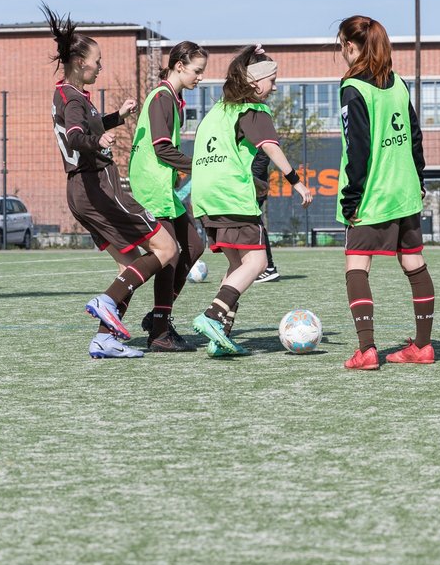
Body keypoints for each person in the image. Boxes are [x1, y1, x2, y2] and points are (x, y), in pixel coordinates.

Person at [45, 5, 179, 359]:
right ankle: (106, 300)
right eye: (97, 60)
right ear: (79, 62)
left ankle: (104, 339)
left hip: (83, 192)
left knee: (129, 264)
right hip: (98, 188)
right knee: (167, 249)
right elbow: (76, 137)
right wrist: (96, 142)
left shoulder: (69, 95)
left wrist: (114, 119)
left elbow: (83, 128)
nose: (100, 66)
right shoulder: (72, 99)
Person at [190, 45, 312, 356]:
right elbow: (270, 147)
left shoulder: (219, 110)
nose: (275, 86)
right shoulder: (253, 110)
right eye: (273, 79)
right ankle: (213, 316)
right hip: (232, 195)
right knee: (257, 263)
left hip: (205, 197)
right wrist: (296, 183)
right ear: (256, 82)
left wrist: (251, 57)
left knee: (236, 265)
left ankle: (220, 338)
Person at [335, 16, 433, 371]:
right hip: (405, 190)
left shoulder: (352, 88)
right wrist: (418, 177)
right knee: (413, 262)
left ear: (349, 46)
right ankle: (423, 346)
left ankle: (367, 351)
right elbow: (416, 136)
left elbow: (357, 147)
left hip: (373, 194)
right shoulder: (399, 84)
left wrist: (351, 198)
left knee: (357, 266)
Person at [128, 40, 209, 352]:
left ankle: (157, 318)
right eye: (197, 71)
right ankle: (159, 330)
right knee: (170, 254)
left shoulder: (173, 98)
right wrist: (199, 167)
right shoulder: (162, 97)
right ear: (179, 65)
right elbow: (162, 147)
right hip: (153, 186)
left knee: (194, 246)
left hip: (165, 187)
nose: (200, 77)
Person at [252, 149, 281, 282]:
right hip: (243, 185)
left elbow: (263, 156)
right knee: (249, 223)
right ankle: (249, 267)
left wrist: (252, 181)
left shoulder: (255, 129)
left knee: (254, 222)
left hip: (252, 186)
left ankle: (267, 267)